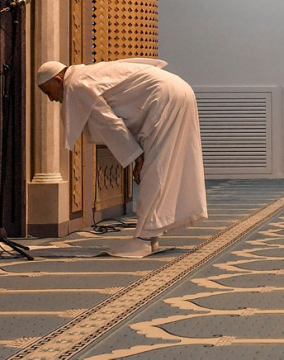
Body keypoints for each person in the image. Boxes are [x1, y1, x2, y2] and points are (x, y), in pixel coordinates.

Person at [36, 58, 208, 258]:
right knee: (164, 167)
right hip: (177, 90)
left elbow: (111, 124)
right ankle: (150, 235)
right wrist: (137, 155)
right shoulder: (86, 75)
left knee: (155, 171)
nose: (51, 99)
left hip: (163, 97)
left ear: (58, 81)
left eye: (49, 93)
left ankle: (144, 238)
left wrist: (137, 157)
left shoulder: (76, 85)